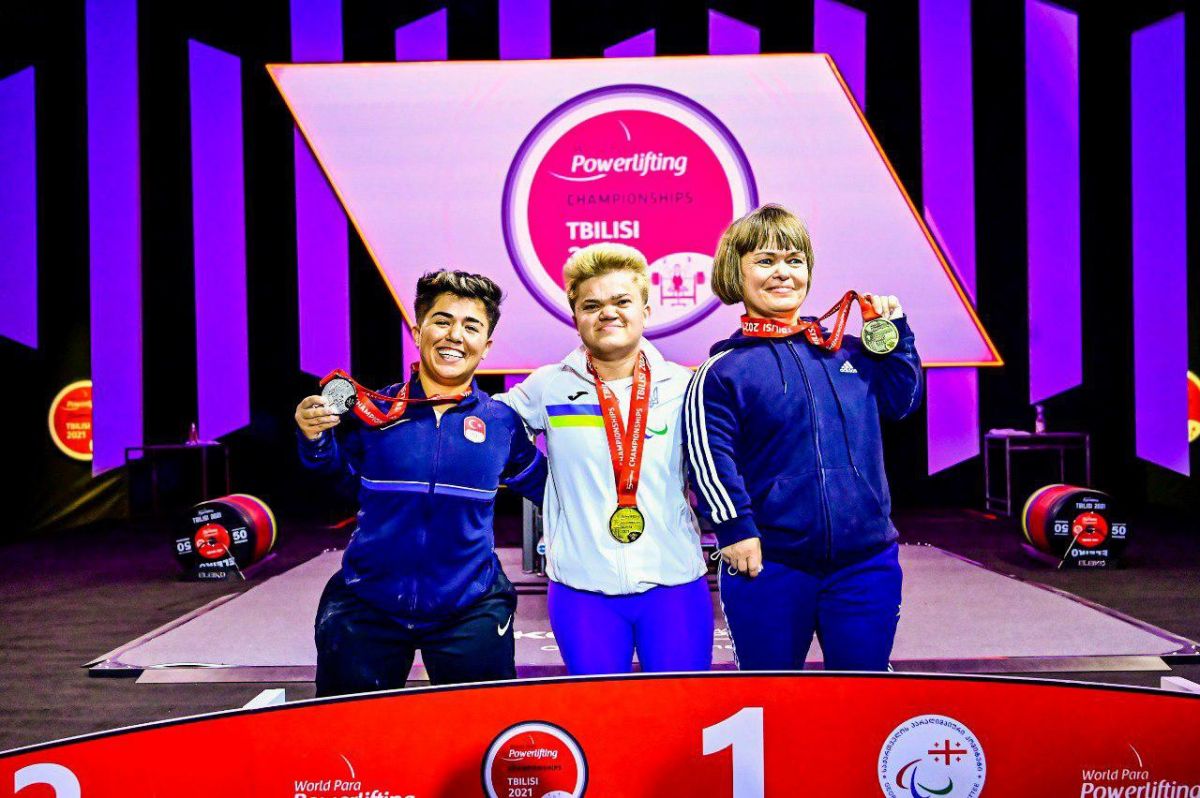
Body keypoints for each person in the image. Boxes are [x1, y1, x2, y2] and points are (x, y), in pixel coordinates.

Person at [684, 204, 922, 671]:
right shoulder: (723, 371)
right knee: (771, 698)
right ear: (736, 272)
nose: (783, 272)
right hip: (769, 564)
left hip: (865, 563)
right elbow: (709, 457)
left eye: (794, 260)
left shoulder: (848, 354)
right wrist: (734, 529)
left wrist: (896, 337)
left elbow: (903, 401)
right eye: (765, 260)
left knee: (864, 694)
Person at [295, 270, 546, 696]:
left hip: (469, 608)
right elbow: (336, 486)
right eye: (442, 321)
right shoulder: (373, 412)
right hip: (367, 603)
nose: (455, 336)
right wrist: (315, 439)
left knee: (480, 733)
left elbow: (549, 490)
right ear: (418, 332)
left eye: (471, 326)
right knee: (349, 734)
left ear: (486, 346)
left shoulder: (502, 423)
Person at [500, 243, 713, 675]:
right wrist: (536, 483)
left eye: (621, 301)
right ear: (574, 316)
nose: (607, 313)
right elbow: (486, 428)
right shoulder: (548, 386)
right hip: (582, 592)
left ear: (645, 312)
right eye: (591, 305)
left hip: (674, 585)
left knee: (681, 711)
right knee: (598, 714)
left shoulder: (684, 386)